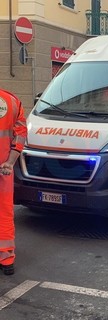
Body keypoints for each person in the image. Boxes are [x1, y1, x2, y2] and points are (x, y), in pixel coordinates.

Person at [0, 89, 27, 275]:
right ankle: (6, 258)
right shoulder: (12, 100)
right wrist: (10, 162)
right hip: (4, 168)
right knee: (5, 212)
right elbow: (20, 135)